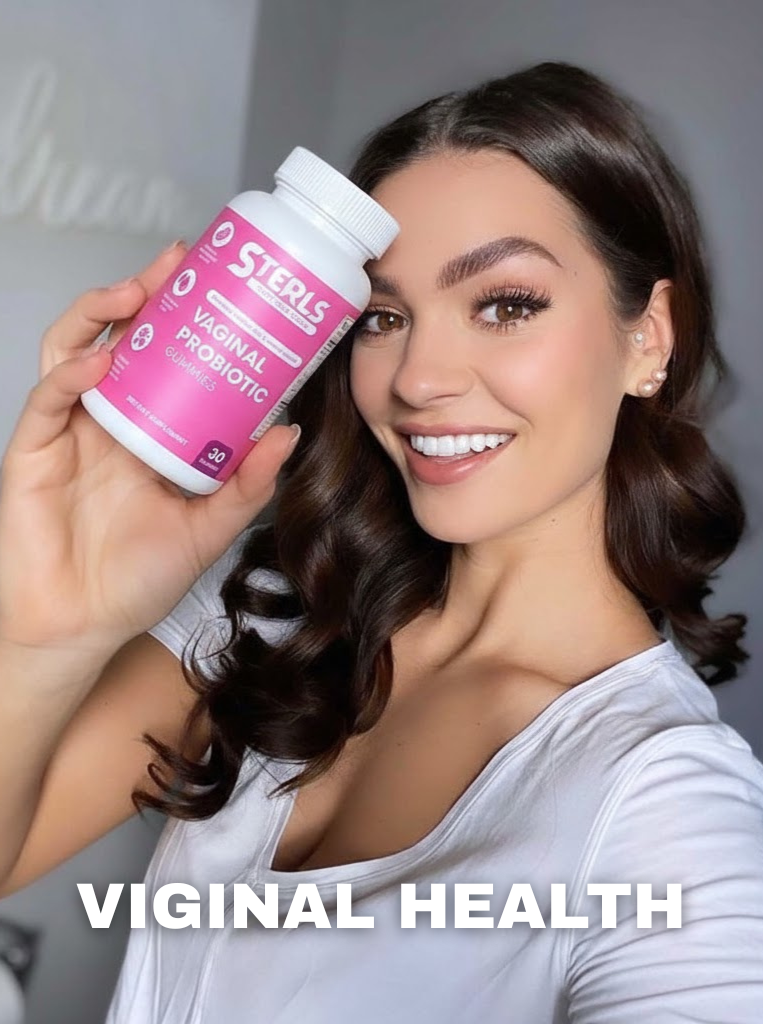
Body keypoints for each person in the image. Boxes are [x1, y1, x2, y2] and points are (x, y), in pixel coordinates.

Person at [1, 59, 762, 1024]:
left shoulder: (666, 801)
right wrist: (46, 631)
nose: (418, 378)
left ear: (647, 336)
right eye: (383, 317)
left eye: (505, 304)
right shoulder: (277, 617)